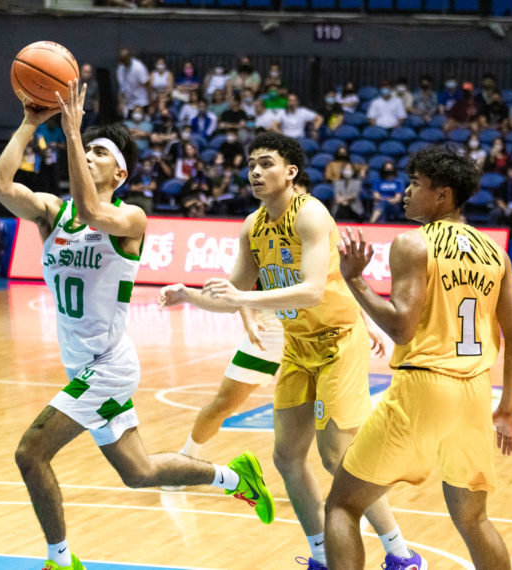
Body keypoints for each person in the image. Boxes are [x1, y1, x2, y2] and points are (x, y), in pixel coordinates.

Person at [0, 81, 275, 570]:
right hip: (82, 363)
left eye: (101, 152)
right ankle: (235, 477)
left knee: (30, 453)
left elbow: (94, 212)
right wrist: (31, 124)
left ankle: (60, 560)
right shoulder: (52, 213)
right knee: (139, 473)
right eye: (88, 150)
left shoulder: (130, 218)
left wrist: (74, 134)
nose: (90, 155)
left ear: (119, 171)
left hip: (106, 367)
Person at [159, 132, 421, 570]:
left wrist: (243, 299)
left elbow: (314, 291)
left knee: (337, 454)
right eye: (251, 165)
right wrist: (188, 294)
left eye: (265, 164)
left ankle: (401, 554)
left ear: (291, 172)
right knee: (286, 456)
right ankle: (321, 556)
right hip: (299, 348)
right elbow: (234, 291)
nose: (255, 173)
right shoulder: (253, 225)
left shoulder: (312, 215)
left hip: (338, 341)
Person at [325, 145, 512, 570]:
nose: (406, 190)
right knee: (474, 519)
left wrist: (356, 281)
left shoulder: (412, 244)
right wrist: (506, 410)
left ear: (443, 195)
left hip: (423, 386)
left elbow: (401, 326)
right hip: (475, 393)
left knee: (342, 505)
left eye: (416, 184)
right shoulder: (497, 254)